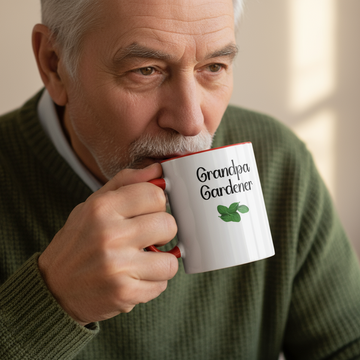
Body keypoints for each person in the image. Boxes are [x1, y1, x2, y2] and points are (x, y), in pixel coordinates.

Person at [0, 0, 359, 358]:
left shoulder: (276, 159)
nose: (190, 123)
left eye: (213, 67)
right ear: (54, 65)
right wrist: (53, 300)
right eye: (146, 70)